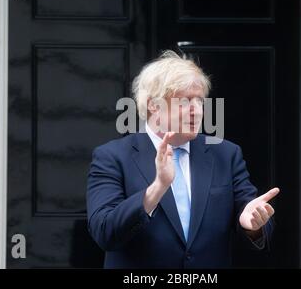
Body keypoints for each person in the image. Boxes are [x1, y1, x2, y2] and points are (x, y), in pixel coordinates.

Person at [86, 50, 279, 268]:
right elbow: (104, 232)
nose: (197, 111)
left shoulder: (225, 154)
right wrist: (157, 188)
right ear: (153, 105)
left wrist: (252, 224)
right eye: (185, 101)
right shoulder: (112, 157)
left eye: (199, 101)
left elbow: (252, 215)